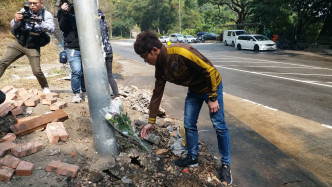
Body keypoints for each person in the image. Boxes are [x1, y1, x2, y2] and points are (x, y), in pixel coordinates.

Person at [134, 31, 232, 185]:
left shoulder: (182, 52)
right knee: (188, 124)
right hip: (194, 90)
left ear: (154, 50)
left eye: (144, 57)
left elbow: (210, 71)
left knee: (219, 125)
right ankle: (192, 158)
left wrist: (213, 98)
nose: (145, 61)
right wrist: (151, 121)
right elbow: (157, 93)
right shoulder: (160, 67)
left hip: (211, 86)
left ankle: (226, 164)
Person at [0, 0, 54, 94]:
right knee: (3, 62)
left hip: (33, 46)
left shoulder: (47, 15)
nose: (32, 5)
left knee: (36, 71)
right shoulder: (24, 10)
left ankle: (45, 86)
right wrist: (16, 20)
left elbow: (52, 29)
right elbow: (13, 26)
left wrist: (39, 21)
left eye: (35, 3)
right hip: (19, 43)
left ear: (41, 3)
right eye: (30, 3)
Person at [58, 2, 86, 103]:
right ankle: (76, 94)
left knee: (86, 72)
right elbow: (63, 27)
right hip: (73, 47)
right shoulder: (64, 9)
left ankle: (85, 92)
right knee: (77, 71)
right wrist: (65, 13)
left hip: (87, 48)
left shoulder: (86, 7)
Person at [98, 9, 119, 98]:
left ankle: (103, 95)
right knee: (109, 75)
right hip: (109, 50)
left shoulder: (96, 23)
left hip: (101, 52)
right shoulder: (104, 21)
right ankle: (116, 95)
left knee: (100, 75)